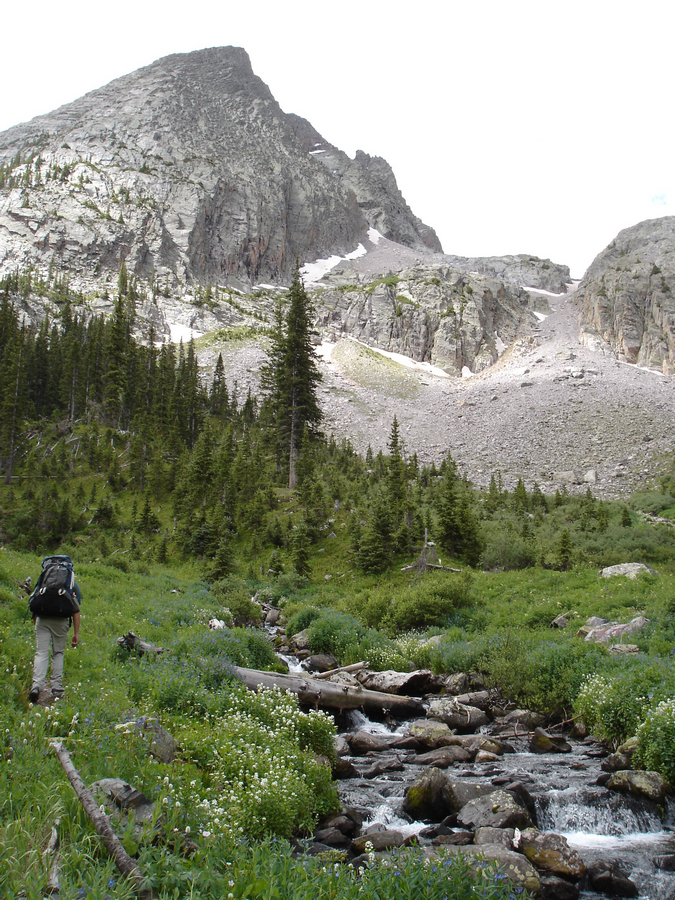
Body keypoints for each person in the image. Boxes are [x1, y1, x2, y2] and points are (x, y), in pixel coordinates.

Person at [28, 558, 81, 703]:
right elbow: (76, 610)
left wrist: (36, 625)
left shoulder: (43, 580)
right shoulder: (71, 584)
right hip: (60, 621)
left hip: (42, 619)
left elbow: (35, 604)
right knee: (58, 653)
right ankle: (56, 687)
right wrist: (76, 634)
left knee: (41, 652)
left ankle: (36, 685)